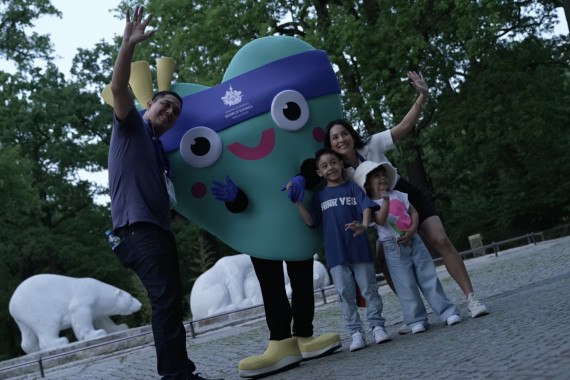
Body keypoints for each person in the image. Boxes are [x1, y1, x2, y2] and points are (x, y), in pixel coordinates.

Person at [318, 72, 489, 321]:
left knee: (440, 240)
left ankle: (471, 298)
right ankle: (415, 313)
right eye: (335, 137)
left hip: (405, 195)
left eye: (344, 133)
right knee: (384, 258)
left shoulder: (372, 145)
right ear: (330, 145)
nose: (341, 139)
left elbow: (404, 127)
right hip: (382, 212)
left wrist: (422, 95)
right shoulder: (339, 172)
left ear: (351, 135)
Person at [107, 6, 220, 380]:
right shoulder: (131, 128)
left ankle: (180, 372)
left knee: (170, 303)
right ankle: (176, 376)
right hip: (137, 231)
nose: (169, 113)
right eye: (164, 105)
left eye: (174, 111)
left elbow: (172, 201)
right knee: (166, 302)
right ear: (149, 104)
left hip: (155, 229)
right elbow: (120, 86)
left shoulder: (158, 152)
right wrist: (128, 45)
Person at [289, 148, 391, 352]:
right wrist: (297, 202)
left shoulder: (353, 189)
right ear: (319, 172)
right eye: (324, 166)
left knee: (369, 289)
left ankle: (377, 327)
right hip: (336, 255)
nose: (330, 168)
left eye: (333, 163)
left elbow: (366, 208)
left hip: (359, 249)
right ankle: (355, 332)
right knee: (344, 293)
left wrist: (363, 225)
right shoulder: (319, 197)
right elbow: (311, 222)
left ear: (341, 164)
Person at [351, 161, 462, 334]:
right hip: (393, 248)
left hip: (414, 241)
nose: (382, 178)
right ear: (367, 184)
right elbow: (380, 220)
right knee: (406, 285)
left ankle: (447, 312)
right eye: (376, 176)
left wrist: (412, 230)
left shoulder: (400, 194)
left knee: (429, 277)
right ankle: (416, 320)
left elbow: (414, 213)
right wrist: (385, 199)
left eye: (383, 175)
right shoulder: (371, 205)